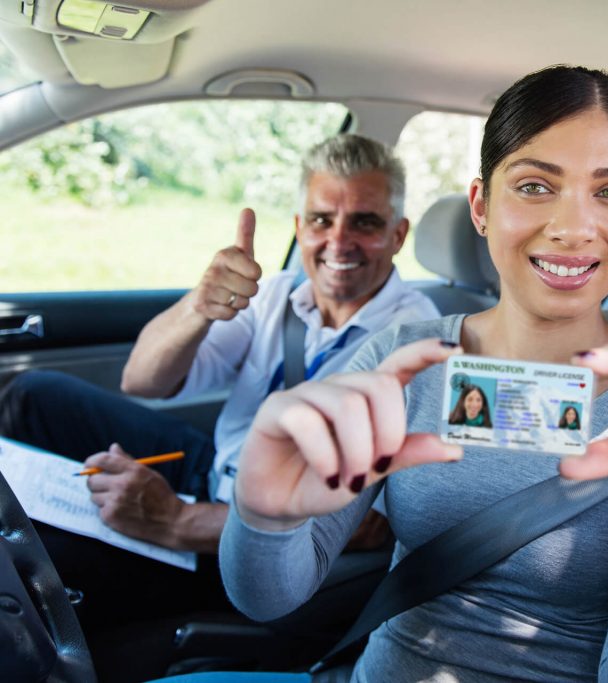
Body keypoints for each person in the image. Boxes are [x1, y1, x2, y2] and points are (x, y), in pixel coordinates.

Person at [164, 65, 608, 682]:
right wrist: (267, 516)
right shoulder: (403, 357)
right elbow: (267, 598)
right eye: (535, 186)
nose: (572, 228)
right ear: (481, 206)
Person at [0, 133, 439, 633]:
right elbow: (141, 380)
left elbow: (367, 526)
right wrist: (198, 307)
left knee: (42, 563)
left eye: (365, 222)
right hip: (215, 467)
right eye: (321, 220)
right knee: (31, 398)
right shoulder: (276, 294)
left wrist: (173, 521)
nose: (338, 241)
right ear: (300, 226)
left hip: (264, 538)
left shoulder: (415, 345)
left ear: (399, 235)